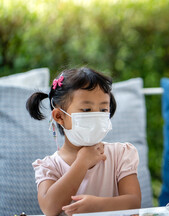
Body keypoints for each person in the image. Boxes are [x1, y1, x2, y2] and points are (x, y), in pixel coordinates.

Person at [26, 67, 141, 216]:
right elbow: (49, 208)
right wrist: (82, 162)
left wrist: (97, 206)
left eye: (103, 110)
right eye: (86, 109)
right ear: (59, 116)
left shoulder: (121, 155)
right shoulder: (50, 166)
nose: (96, 116)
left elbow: (134, 203)